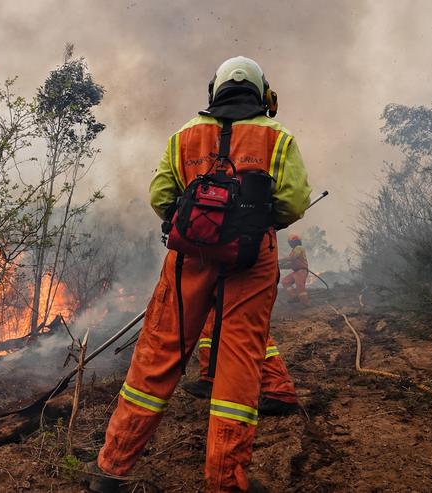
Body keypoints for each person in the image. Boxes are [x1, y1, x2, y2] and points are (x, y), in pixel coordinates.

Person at [87, 56, 311, 493]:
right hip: (251, 264)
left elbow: (160, 197)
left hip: (188, 260)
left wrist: (197, 228)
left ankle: (111, 469)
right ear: (264, 93)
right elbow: (293, 202)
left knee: (157, 358)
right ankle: (225, 481)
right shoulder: (278, 138)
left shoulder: (184, 136)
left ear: (215, 90)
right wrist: (255, 226)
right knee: (239, 363)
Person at [182, 310, 300, 416]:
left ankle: (281, 391)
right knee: (212, 323)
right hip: (226, 288)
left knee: (245, 328)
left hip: (241, 289)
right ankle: (210, 377)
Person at [280, 234, 310, 306]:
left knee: (300, 285)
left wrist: (279, 261)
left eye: (292, 242)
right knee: (285, 281)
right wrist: (280, 266)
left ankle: (306, 303)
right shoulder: (293, 251)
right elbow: (290, 264)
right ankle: (294, 296)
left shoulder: (299, 248)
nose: (291, 244)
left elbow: (292, 258)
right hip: (296, 271)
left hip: (301, 271)